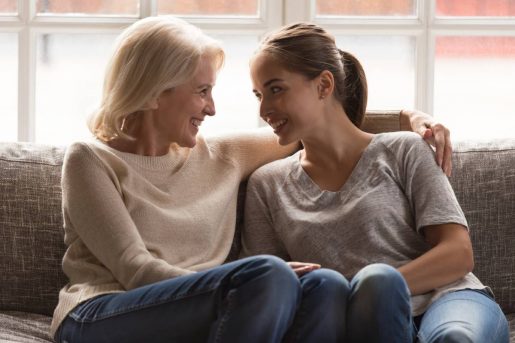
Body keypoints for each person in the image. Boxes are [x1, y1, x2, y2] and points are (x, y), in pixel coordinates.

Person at [51, 16, 454, 343]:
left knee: (325, 285)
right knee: (270, 275)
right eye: (202, 91)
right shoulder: (91, 160)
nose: (211, 108)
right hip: (102, 315)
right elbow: (136, 269)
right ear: (157, 92)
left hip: (206, 310)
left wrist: (409, 119)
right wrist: (241, 282)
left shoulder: (223, 155)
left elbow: (316, 119)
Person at [241, 22, 509, 343]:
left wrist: (376, 285)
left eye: (275, 89)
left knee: (450, 337)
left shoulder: (403, 149)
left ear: (324, 85)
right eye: (258, 94)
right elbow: (267, 290)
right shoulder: (266, 185)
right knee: (377, 285)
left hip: (449, 298)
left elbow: (457, 254)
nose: (264, 109)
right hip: (365, 320)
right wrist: (366, 294)